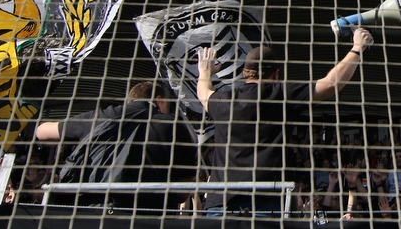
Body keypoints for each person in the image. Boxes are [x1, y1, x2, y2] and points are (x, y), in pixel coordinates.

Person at [196, 27, 373, 216]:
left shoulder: (224, 100)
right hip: (266, 201)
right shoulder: (281, 93)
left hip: (221, 202)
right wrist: (356, 48)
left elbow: (203, 93)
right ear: (276, 74)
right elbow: (331, 84)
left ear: (245, 72)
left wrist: (205, 72)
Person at [35, 81, 199, 211]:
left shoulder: (100, 117)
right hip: (152, 218)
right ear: (160, 100)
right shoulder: (175, 126)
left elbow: (41, 132)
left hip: (93, 212)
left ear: (129, 100)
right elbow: (182, 191)